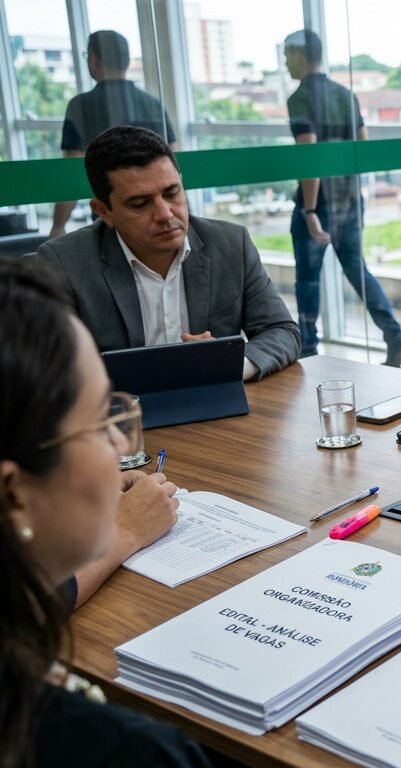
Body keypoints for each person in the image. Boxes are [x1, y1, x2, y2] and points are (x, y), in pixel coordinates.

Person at [0, 259, 208, 767]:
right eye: (98, 423)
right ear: (13, 495)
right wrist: (125, 530)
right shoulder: (130, 754)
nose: (120, 446)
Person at [37, 126, 299, 382]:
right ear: (104, 211)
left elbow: (281, 331)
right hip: (123, 415)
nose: (165, 214)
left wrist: (229, 365)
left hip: (215, 407)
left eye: (172, 193)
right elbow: (51, 370)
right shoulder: (63, 263)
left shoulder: (230, 244)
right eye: (140, 203)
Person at [283, 29, 401, 367]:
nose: (284, 63)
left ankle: (308, 351)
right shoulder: (345, 94)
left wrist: (310, 210)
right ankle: (394, 335)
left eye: (286, 55)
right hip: (349, 201)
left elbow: (308, 154)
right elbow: (363, 147)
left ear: (299, 56)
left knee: (307, 279)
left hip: (319, 203)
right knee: (357, 270)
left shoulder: (300, 98)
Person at [49, 30, 177, 240]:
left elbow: (70, 172)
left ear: (93, 59)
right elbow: (175, 163)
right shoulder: (152, 104)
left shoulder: (80, 106)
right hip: (161, 217)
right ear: (126, 61)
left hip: (112, 220)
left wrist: (58, 226)